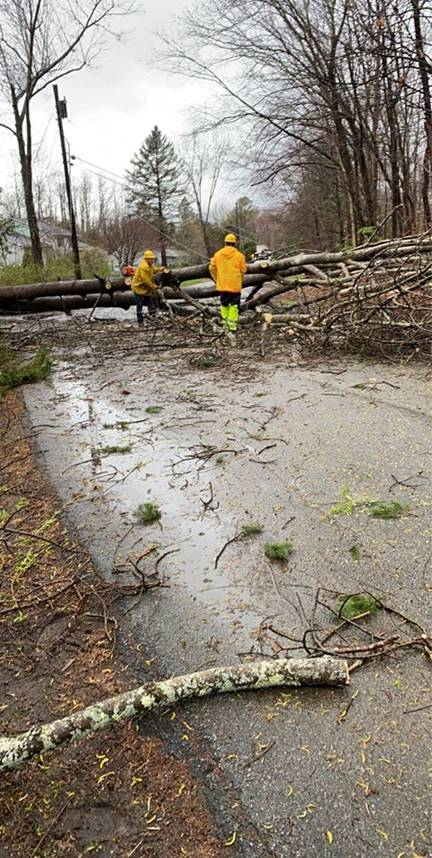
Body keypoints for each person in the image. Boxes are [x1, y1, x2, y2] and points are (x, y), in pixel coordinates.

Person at [209, 233, 247, 335]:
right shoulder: (240, 256)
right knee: (234, 306)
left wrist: (217, 279)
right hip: (235, 286)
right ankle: (232, 327)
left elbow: (211, 268)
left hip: (222, 286)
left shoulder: (217, 255)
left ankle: (225, 325)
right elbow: (243, 270)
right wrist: (240, 279)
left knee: (224, 305)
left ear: (225, 243)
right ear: (235, 243)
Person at [131, 250, 160, 326]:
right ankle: (140, 322)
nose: (152, 260)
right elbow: (146, 280)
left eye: (153, 259)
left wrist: (162, 269)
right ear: (147, 259)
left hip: (145, 288)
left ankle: (153, 319)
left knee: (150, 303)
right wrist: (154, 287)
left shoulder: (150, 265)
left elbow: (154, 269)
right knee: (139, 304)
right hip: (138, 287)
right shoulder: (143, 267)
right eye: (151, 259)